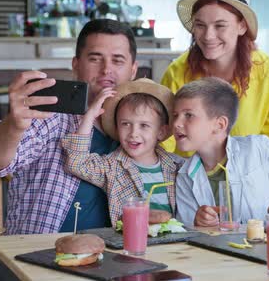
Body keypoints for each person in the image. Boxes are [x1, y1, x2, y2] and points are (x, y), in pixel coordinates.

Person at [160, 0, 269, 199]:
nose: (208, 36)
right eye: (200, 25)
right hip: (189, 185)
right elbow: (167, 132)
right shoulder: (177, 71)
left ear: (241, 26)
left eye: (220, 25)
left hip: (247, 187)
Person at [0, 19, 139, 234]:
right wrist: (13, 126)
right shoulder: (49, 116)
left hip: (114, 258)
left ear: (133, 70)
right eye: (95, 59)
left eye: (117, 60)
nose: (106, 69)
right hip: (39, 255)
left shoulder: (140, 130)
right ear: (76, 65)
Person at [173, 77, 269, 227]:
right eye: (175, 115)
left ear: (220, 124)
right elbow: (186, 227)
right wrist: (198, 221)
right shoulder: (184, 176)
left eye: (188, 115)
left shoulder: (257, 147)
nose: (176, 123)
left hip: (266, 245)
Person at [61, 78, 183, 227]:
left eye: (144, 125)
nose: (133, 133)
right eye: (126, 124)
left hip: (173, 243)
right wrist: (90, 116)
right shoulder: (111, 167)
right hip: (130, 242)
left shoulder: (178, 166)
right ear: (117, 128)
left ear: (161, 131)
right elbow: (76, 163)